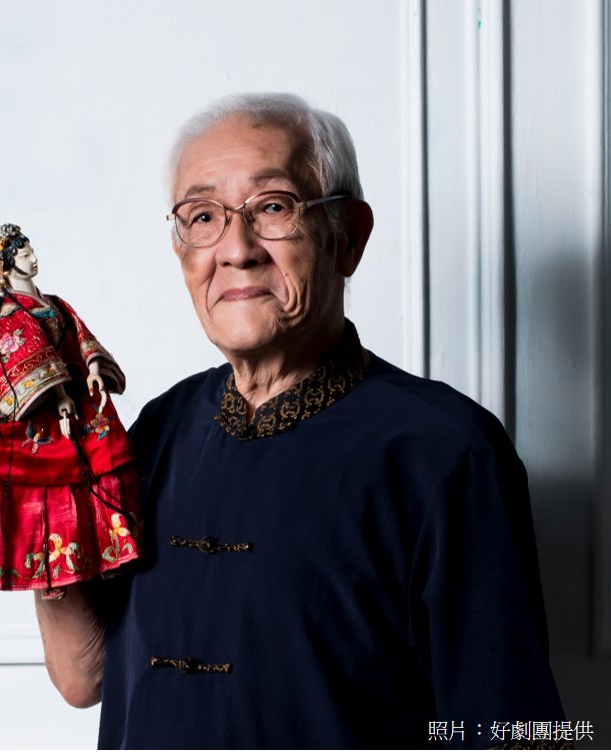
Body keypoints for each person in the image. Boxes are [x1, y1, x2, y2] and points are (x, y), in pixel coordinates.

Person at [34, 94, 565, 748]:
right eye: (203, 216)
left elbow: (514, 730)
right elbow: (83, 675)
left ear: (348, 236)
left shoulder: (448, 453)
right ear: (180, 249)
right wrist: (40, 494)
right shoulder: (156, 429)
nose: (236, 250)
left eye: (273, 207)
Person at [0, 223, 140, 599]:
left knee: (103, 450)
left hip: (71, 388)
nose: (33, 258)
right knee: (49, 479)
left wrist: (94, 367)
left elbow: (79, 334)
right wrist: (59, 397)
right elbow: (31, 355)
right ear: (8, 266)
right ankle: (53, 571)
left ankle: (112, 552)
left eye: (31, 250)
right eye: (25, 253)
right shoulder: (12, 314)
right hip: (41, 400)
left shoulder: (53, 302)